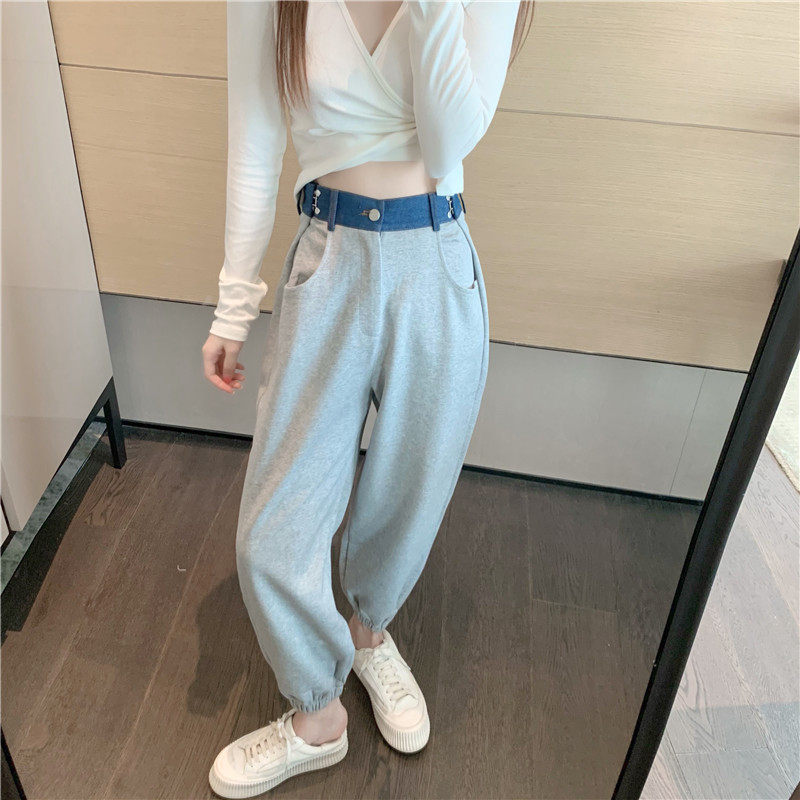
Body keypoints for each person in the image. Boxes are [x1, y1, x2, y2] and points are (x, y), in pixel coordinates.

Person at [202, 1, 531, 796]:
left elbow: (449, 142)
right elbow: (255, 135)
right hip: (329, 259)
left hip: (437, 263)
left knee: (408, 496)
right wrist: (234, 305)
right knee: (271, 532)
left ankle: (369, 632)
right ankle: (317, 715)